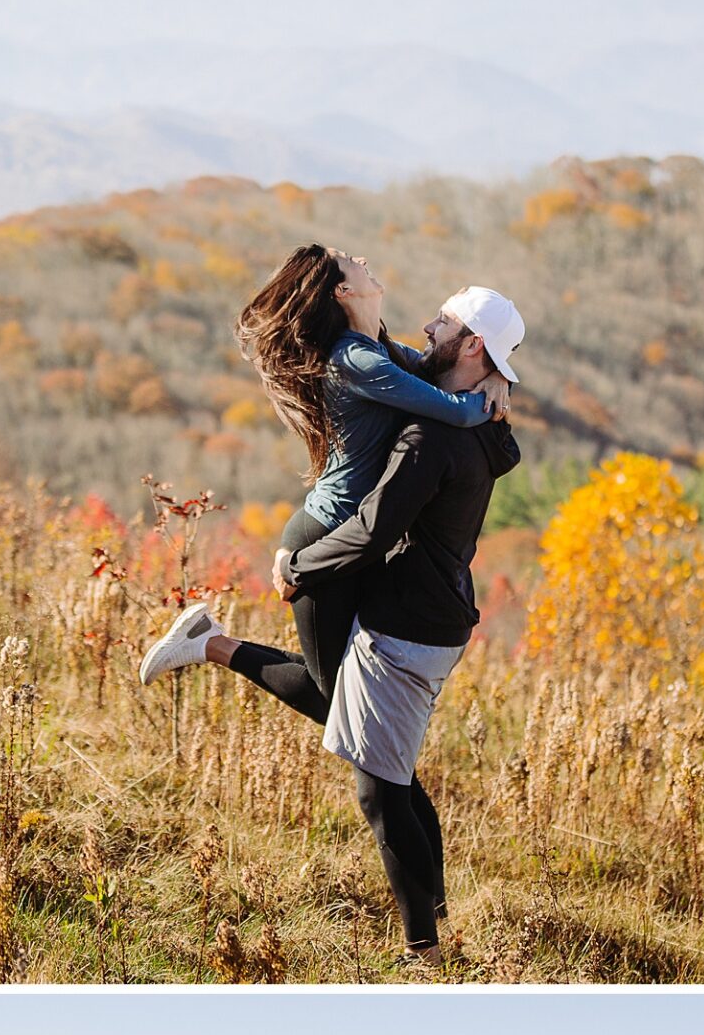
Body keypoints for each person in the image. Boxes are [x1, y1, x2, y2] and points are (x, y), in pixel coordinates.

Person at [140, 284, 526, 957]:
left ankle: (424, 951)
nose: (426, 326)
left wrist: (301, 566)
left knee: (383, 793)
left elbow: (376, 528)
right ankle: (432, 918)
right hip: (430, 620)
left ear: (473, 345)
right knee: (388, 770)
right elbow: (407, 370)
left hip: (406, 628)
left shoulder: (435, 432)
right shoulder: (484, 424)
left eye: (443, 323)